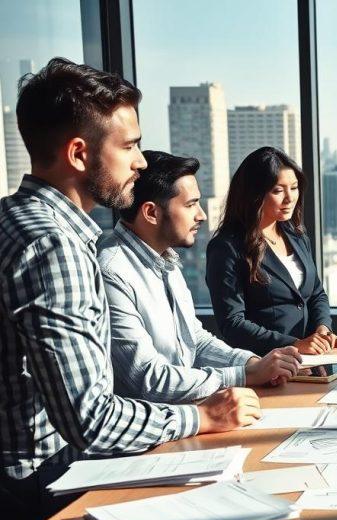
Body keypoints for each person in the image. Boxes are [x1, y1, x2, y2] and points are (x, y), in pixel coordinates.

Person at [0, 58, 261, 520]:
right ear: (79, 154)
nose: (141, 162)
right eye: (129, 145)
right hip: (43, 496)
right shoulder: (53, 246)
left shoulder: (17, 221)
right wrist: (204, 417)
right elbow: (90, 421)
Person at [97, 150, 304, 404]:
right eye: (190, 204)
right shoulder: (111, 272)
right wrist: (242, 375)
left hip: (187, 415)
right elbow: (147, 380)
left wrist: (254, 363)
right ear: (151, 213)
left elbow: (196, 341)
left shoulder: (165, 260)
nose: (202, 215)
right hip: (154, 432)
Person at [206, 146, 337, 356]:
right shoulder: (227, 247)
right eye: (278, 191)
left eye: (294, 187)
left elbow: (316, 293)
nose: (290, 198)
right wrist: (294, 343)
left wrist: (322, 330)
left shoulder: (297, 235)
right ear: (254, 194)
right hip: (265, 363)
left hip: (311, 362)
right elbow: (232, 324)